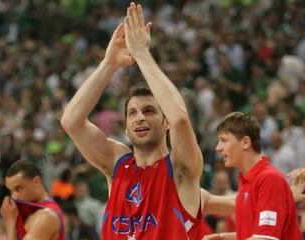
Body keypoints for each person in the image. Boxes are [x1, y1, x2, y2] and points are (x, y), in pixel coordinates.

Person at [60, 2, 204, 239]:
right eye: (133, 113)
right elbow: (71, 121)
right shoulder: (117, 163)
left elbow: (179, 118)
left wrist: (142, 55)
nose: (140, 118)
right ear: (125, 126)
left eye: (149, 110)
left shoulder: (181, 167)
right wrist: (109, 64)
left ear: (164, 121)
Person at [203, 112, 302, 239]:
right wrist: (222, 237)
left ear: (245, 142)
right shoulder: (248, 180)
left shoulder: (269, 179)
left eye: (223, 140)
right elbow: (253, 235)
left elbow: (265, 238)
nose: (218, 148)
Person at [0, 160, 66, 240]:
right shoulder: (27, 212)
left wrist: (10, 221)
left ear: (36, 182)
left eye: (18, 189)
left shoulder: (47, 216)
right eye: (11, 191)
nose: (14, 197)